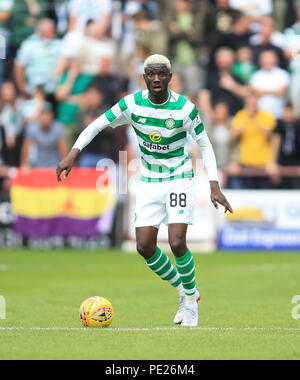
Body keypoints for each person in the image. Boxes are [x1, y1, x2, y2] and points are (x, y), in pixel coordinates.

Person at [56, 54, 233, 327]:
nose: (157, 79)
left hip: (178, 178)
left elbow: (205, 145)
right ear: (145, 77)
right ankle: (187, 292)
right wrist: (73, 153)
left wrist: (213, 184)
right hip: (149, 181)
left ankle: (189, 306)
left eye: (162, 74)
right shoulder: (131, 103)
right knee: (144, 247)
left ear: (170, 77)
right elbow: (97, 124)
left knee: (176, 242)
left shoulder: (185, 109)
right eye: (151, 74)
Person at [230, 90, 276, 189]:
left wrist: (254, 119)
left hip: (263, 164)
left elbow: (269, 135)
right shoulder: (241, 115)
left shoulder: (266, 116)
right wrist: (247, 118)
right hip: (246, 163)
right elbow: (234, 136)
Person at [21, 103, 68, 168]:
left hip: (54, 166)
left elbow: (63, 149)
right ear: (39, 116)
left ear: (52, 116)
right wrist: (24, 164)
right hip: (36, 166)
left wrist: (64, 166)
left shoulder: (58, 128)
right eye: (43, 115)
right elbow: (26, 148)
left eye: (48, 115)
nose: (45, 118)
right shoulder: (31, 128)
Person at [269, 102, 300, 189]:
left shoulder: (298, 124)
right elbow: (275, 143)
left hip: (296, 160)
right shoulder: (279, 124)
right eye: (286, 111)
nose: (289, 114)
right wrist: (273, 162)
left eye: (291, 112)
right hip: (282, 161)